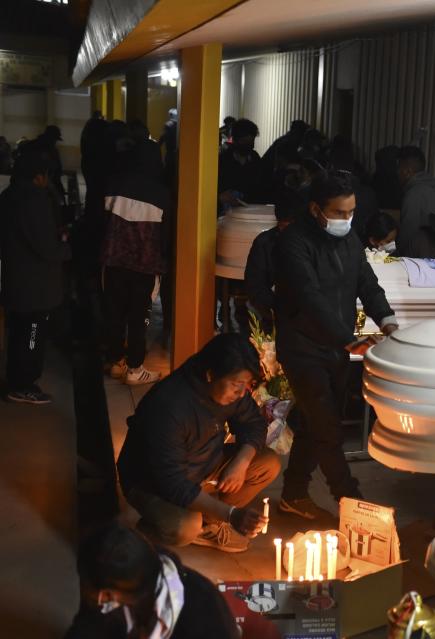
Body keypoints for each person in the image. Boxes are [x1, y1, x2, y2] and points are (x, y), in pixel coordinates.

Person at [273, 174, 398, 518]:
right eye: (339, 212)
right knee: (327, 428)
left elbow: (366, 282)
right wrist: (348, 339)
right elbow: (310, 298)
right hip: (303, 346)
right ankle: (353, 505)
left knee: (317, 424)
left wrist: (386, 319)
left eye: (351, 212)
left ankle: (293, 494)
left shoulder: (349, 239)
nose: (346, 219)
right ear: (316, 209)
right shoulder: (294, 243)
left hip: (337, 347)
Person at [116, 333, 279, 552]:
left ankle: (209, 523)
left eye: (246, 385)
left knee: (267, 463)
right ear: (211, 374)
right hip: (151, 483)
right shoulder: (170, 406)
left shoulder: (229, 391)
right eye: (236, 384)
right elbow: (172, 483)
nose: (241, 393)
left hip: (201, 466)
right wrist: (231, 515)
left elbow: (253, 424)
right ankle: (154, 530)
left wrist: (241, 462)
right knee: (184, 527)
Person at [64, 523, 239, 639]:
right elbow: (85, 630)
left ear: (105, 595)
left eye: (86, 586)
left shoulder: (205, 616)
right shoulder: (114, 588)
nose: (85, 592)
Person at [0, 150, 71, 404]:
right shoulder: (35, 201)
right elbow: (47, 248)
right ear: (38, 177)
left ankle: (15, 380)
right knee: (31, 337)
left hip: (15, 281)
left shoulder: (7, 197)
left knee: (18, 335)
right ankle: (23, 385)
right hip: (35, 288)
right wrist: (66, 246)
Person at [101, 139, 171, 385]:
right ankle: (135, 368)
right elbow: (165, 235)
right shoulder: (161, 193)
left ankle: (116, 361)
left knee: (114, 312)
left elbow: (102, 222)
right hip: (145, 264)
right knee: (139, 315)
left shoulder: (113, 184)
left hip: (113, 261)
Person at [245, 188, 306, 332]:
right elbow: (255, 287)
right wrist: (277, 312)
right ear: (278, 223)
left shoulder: (312, 243)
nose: (289, 233)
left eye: (293, 227)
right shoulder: (264, 243)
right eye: (284, 227)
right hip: (272, 315)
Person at [395, 146, 435, 257]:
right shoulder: (434, 189)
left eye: (399, 168)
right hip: (432, 254)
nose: (397, 173)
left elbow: (407, 234)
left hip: (416, 258)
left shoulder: (413, 194)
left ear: (407, 171)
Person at [217, 118, 262, 212]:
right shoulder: (223, 161)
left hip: (250, 212)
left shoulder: (255, 159)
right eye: (244, 141)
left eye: (251, 141)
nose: (249, 145)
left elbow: (262, 186)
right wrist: (220, 197)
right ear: (235, 140)